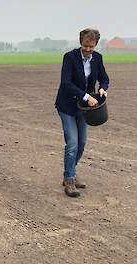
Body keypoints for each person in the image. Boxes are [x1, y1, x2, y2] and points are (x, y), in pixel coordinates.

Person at [54, 28, 110, 197]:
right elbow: (66, 83)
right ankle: (70, 180)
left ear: (96, 45)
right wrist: (86, 96)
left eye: (91, 47)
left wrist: (103, 89)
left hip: (84, 109)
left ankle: (69, 172)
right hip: (67, 106)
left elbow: (104, 78)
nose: (87, 49)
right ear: (81, 42)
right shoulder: (69, 57)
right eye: (85, 45)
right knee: (72, 143)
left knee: (82, 143)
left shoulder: (97, 58)